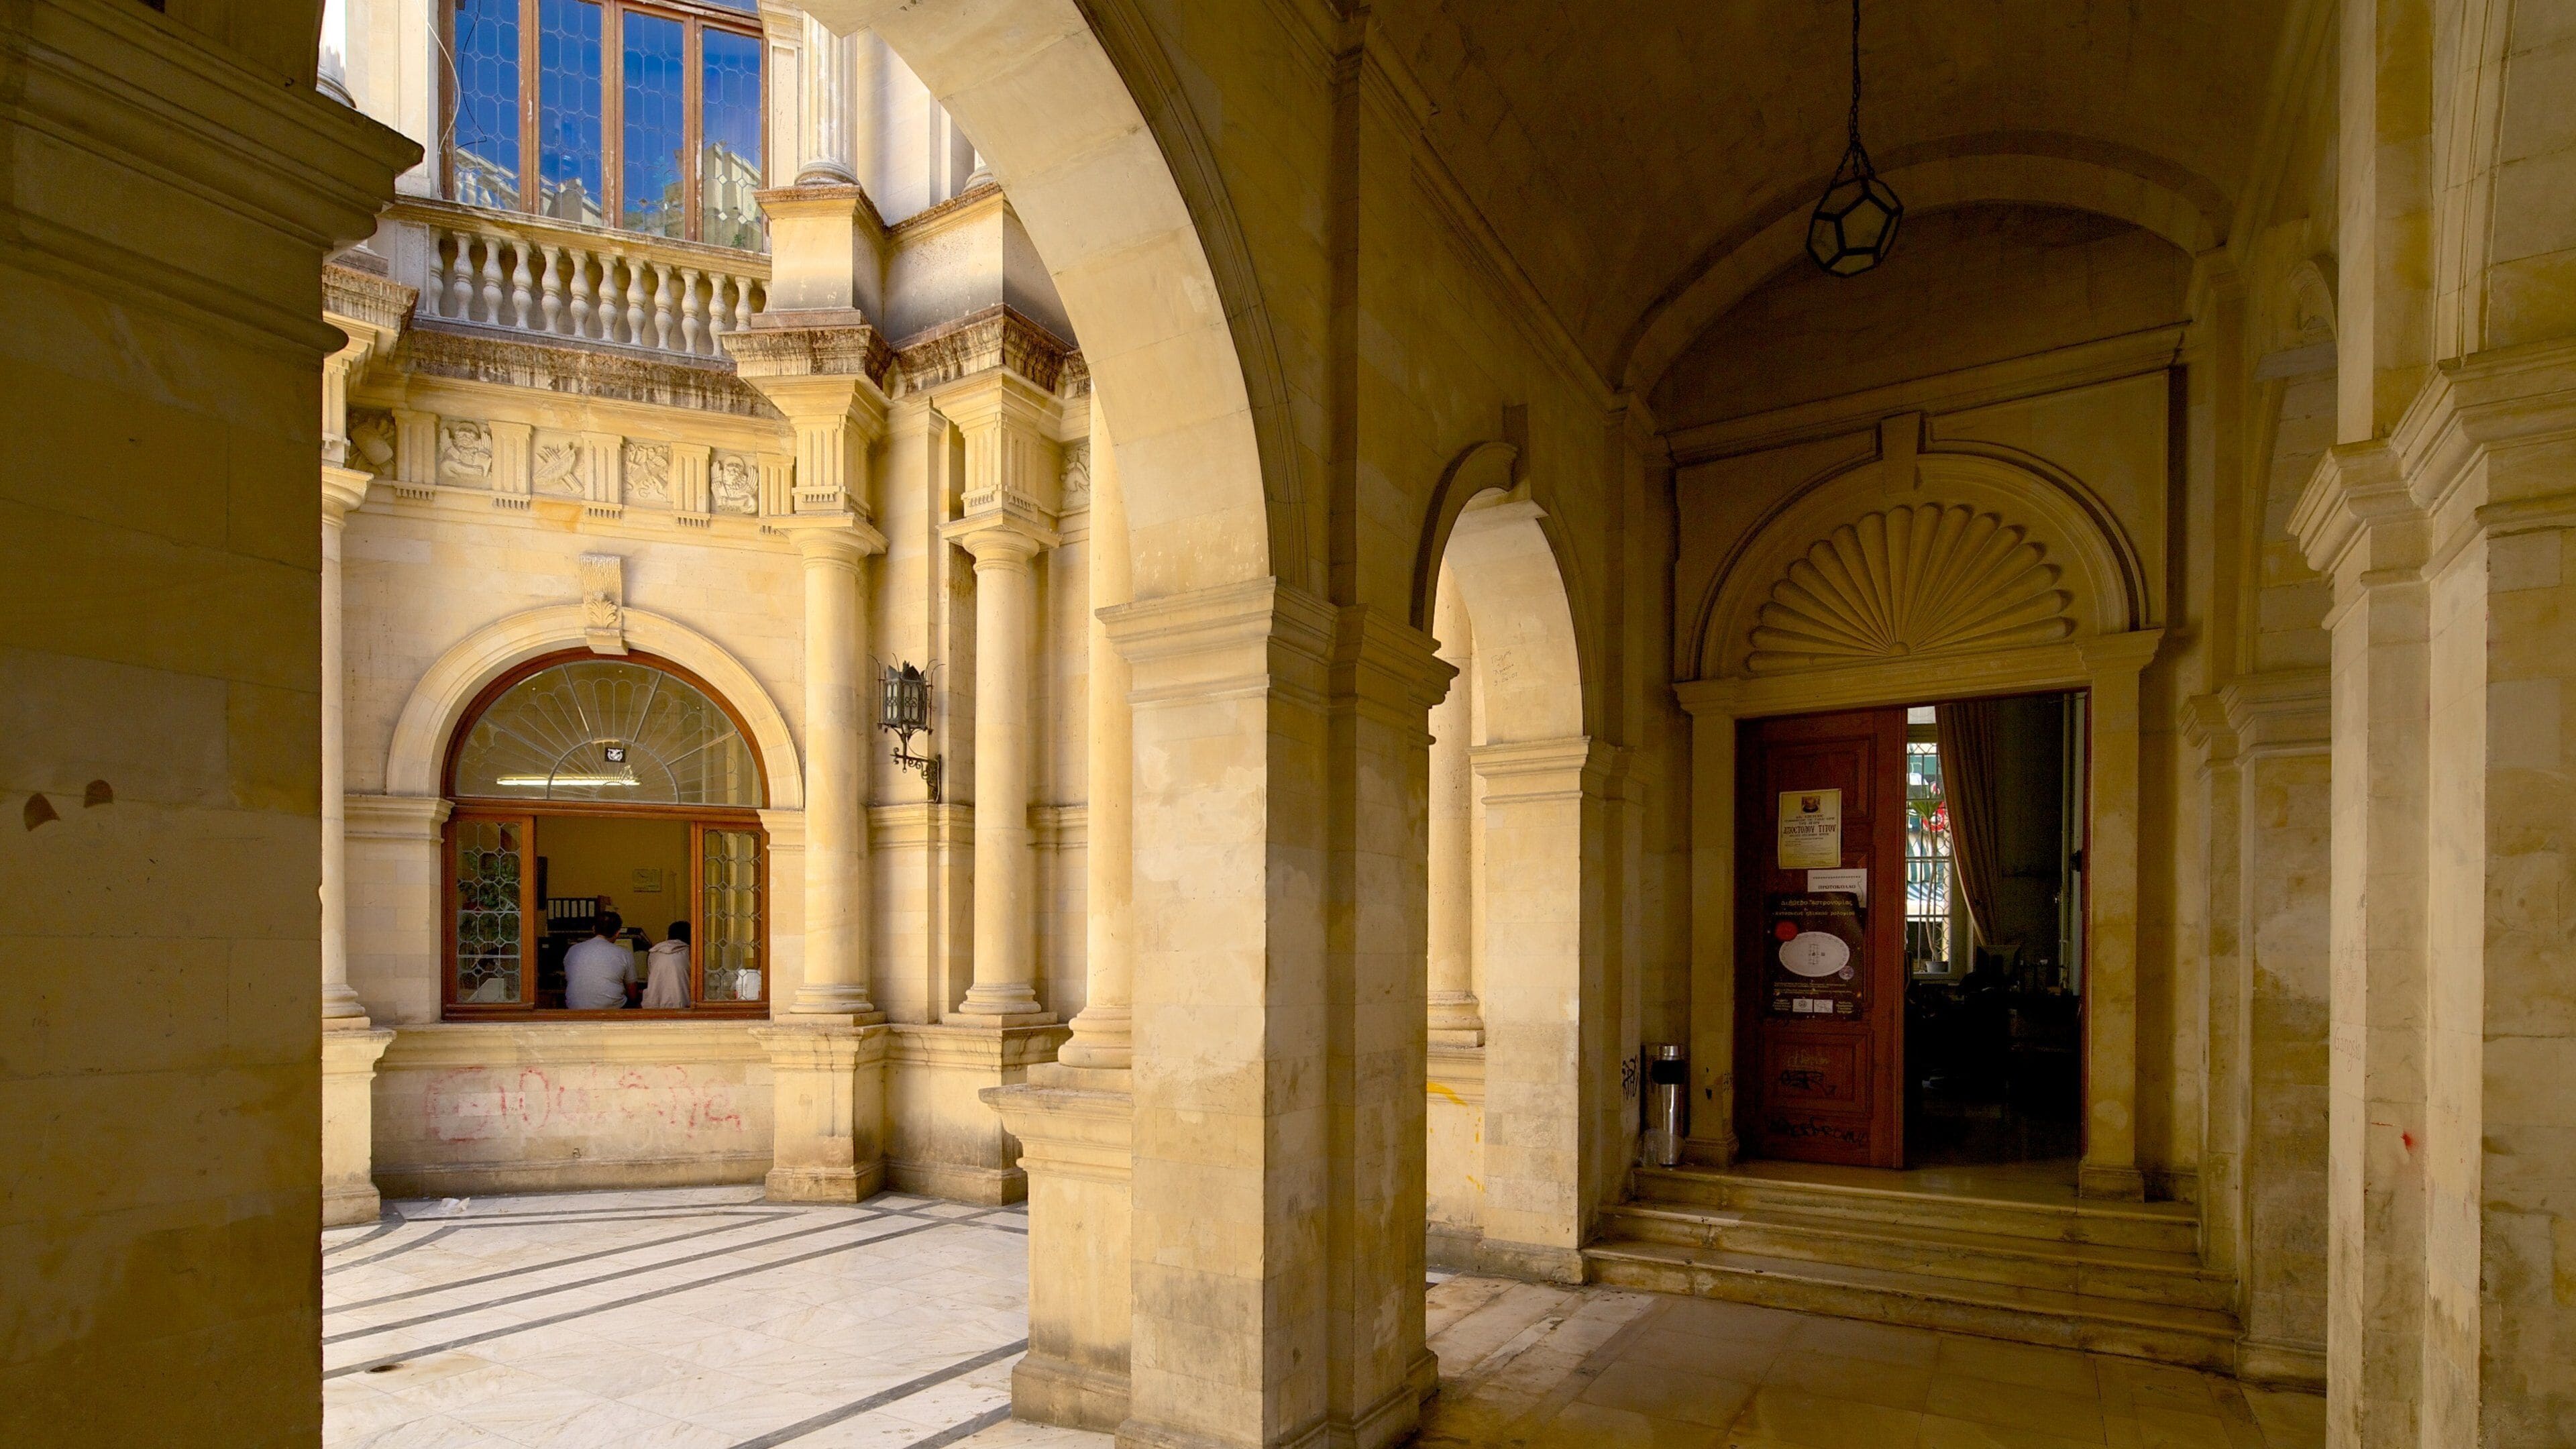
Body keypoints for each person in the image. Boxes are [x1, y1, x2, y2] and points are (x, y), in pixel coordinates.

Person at [564, 911, 635, 1010]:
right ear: (618, 933)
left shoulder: (573, 950)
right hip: (612, 1011)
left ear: (593, 929)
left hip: (575, 1010)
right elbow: (633, 994)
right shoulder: (624, 953)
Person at [642, 921, 691, 1009]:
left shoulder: (654, 953)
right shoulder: (690, 953)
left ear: (668, 936)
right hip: (683, 1005)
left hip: (654, 1006)